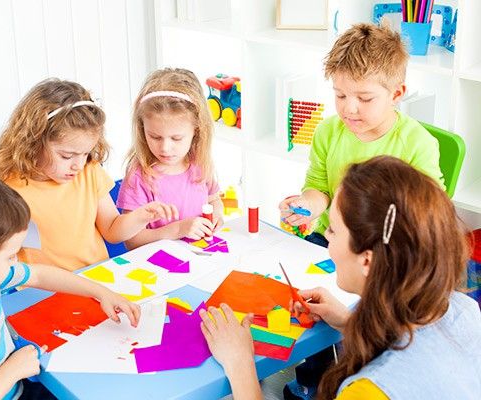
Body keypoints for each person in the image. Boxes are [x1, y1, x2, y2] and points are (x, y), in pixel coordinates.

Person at [200, 156, 481, 400]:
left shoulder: (370, 391)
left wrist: (240, 363)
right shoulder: (463, 309)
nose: (327, 240)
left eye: (332, 231)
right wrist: (349, 322)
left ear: (367, 260)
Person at [0, 170, 141, 399]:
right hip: (11, 383)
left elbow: (37, 275)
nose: (15, 261)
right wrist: (10, 373)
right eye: (11, 255)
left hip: (17, 375)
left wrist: (101, 292)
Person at [279, 23, 444, 249]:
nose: (349, 108)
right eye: (340, 95)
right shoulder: (327, 132)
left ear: (396, 94)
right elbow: (319, 187)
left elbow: (428, 211)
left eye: (365, 98)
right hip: (330, 240)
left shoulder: (418, 144)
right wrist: (308, 205)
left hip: (387, 247)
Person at [0, 78, 177, 271]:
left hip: (96, 277)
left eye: (86, 153)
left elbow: (112, 229)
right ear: (33, 142)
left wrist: (141, 217)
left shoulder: (90, 172)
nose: (78, 165)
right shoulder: (7, 189)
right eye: (67, 155)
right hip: (43, 289)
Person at [116, 68, 224, 249]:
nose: (165, 148)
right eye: (155, 137)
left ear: (197, 130)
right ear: (142, 128)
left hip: (200, 257)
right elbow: (132, 241)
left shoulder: (200, 162)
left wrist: (217, 215)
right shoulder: (139, 176)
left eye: (176, 138)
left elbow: (214, 199)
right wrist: (176, 230)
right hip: (158, 265)